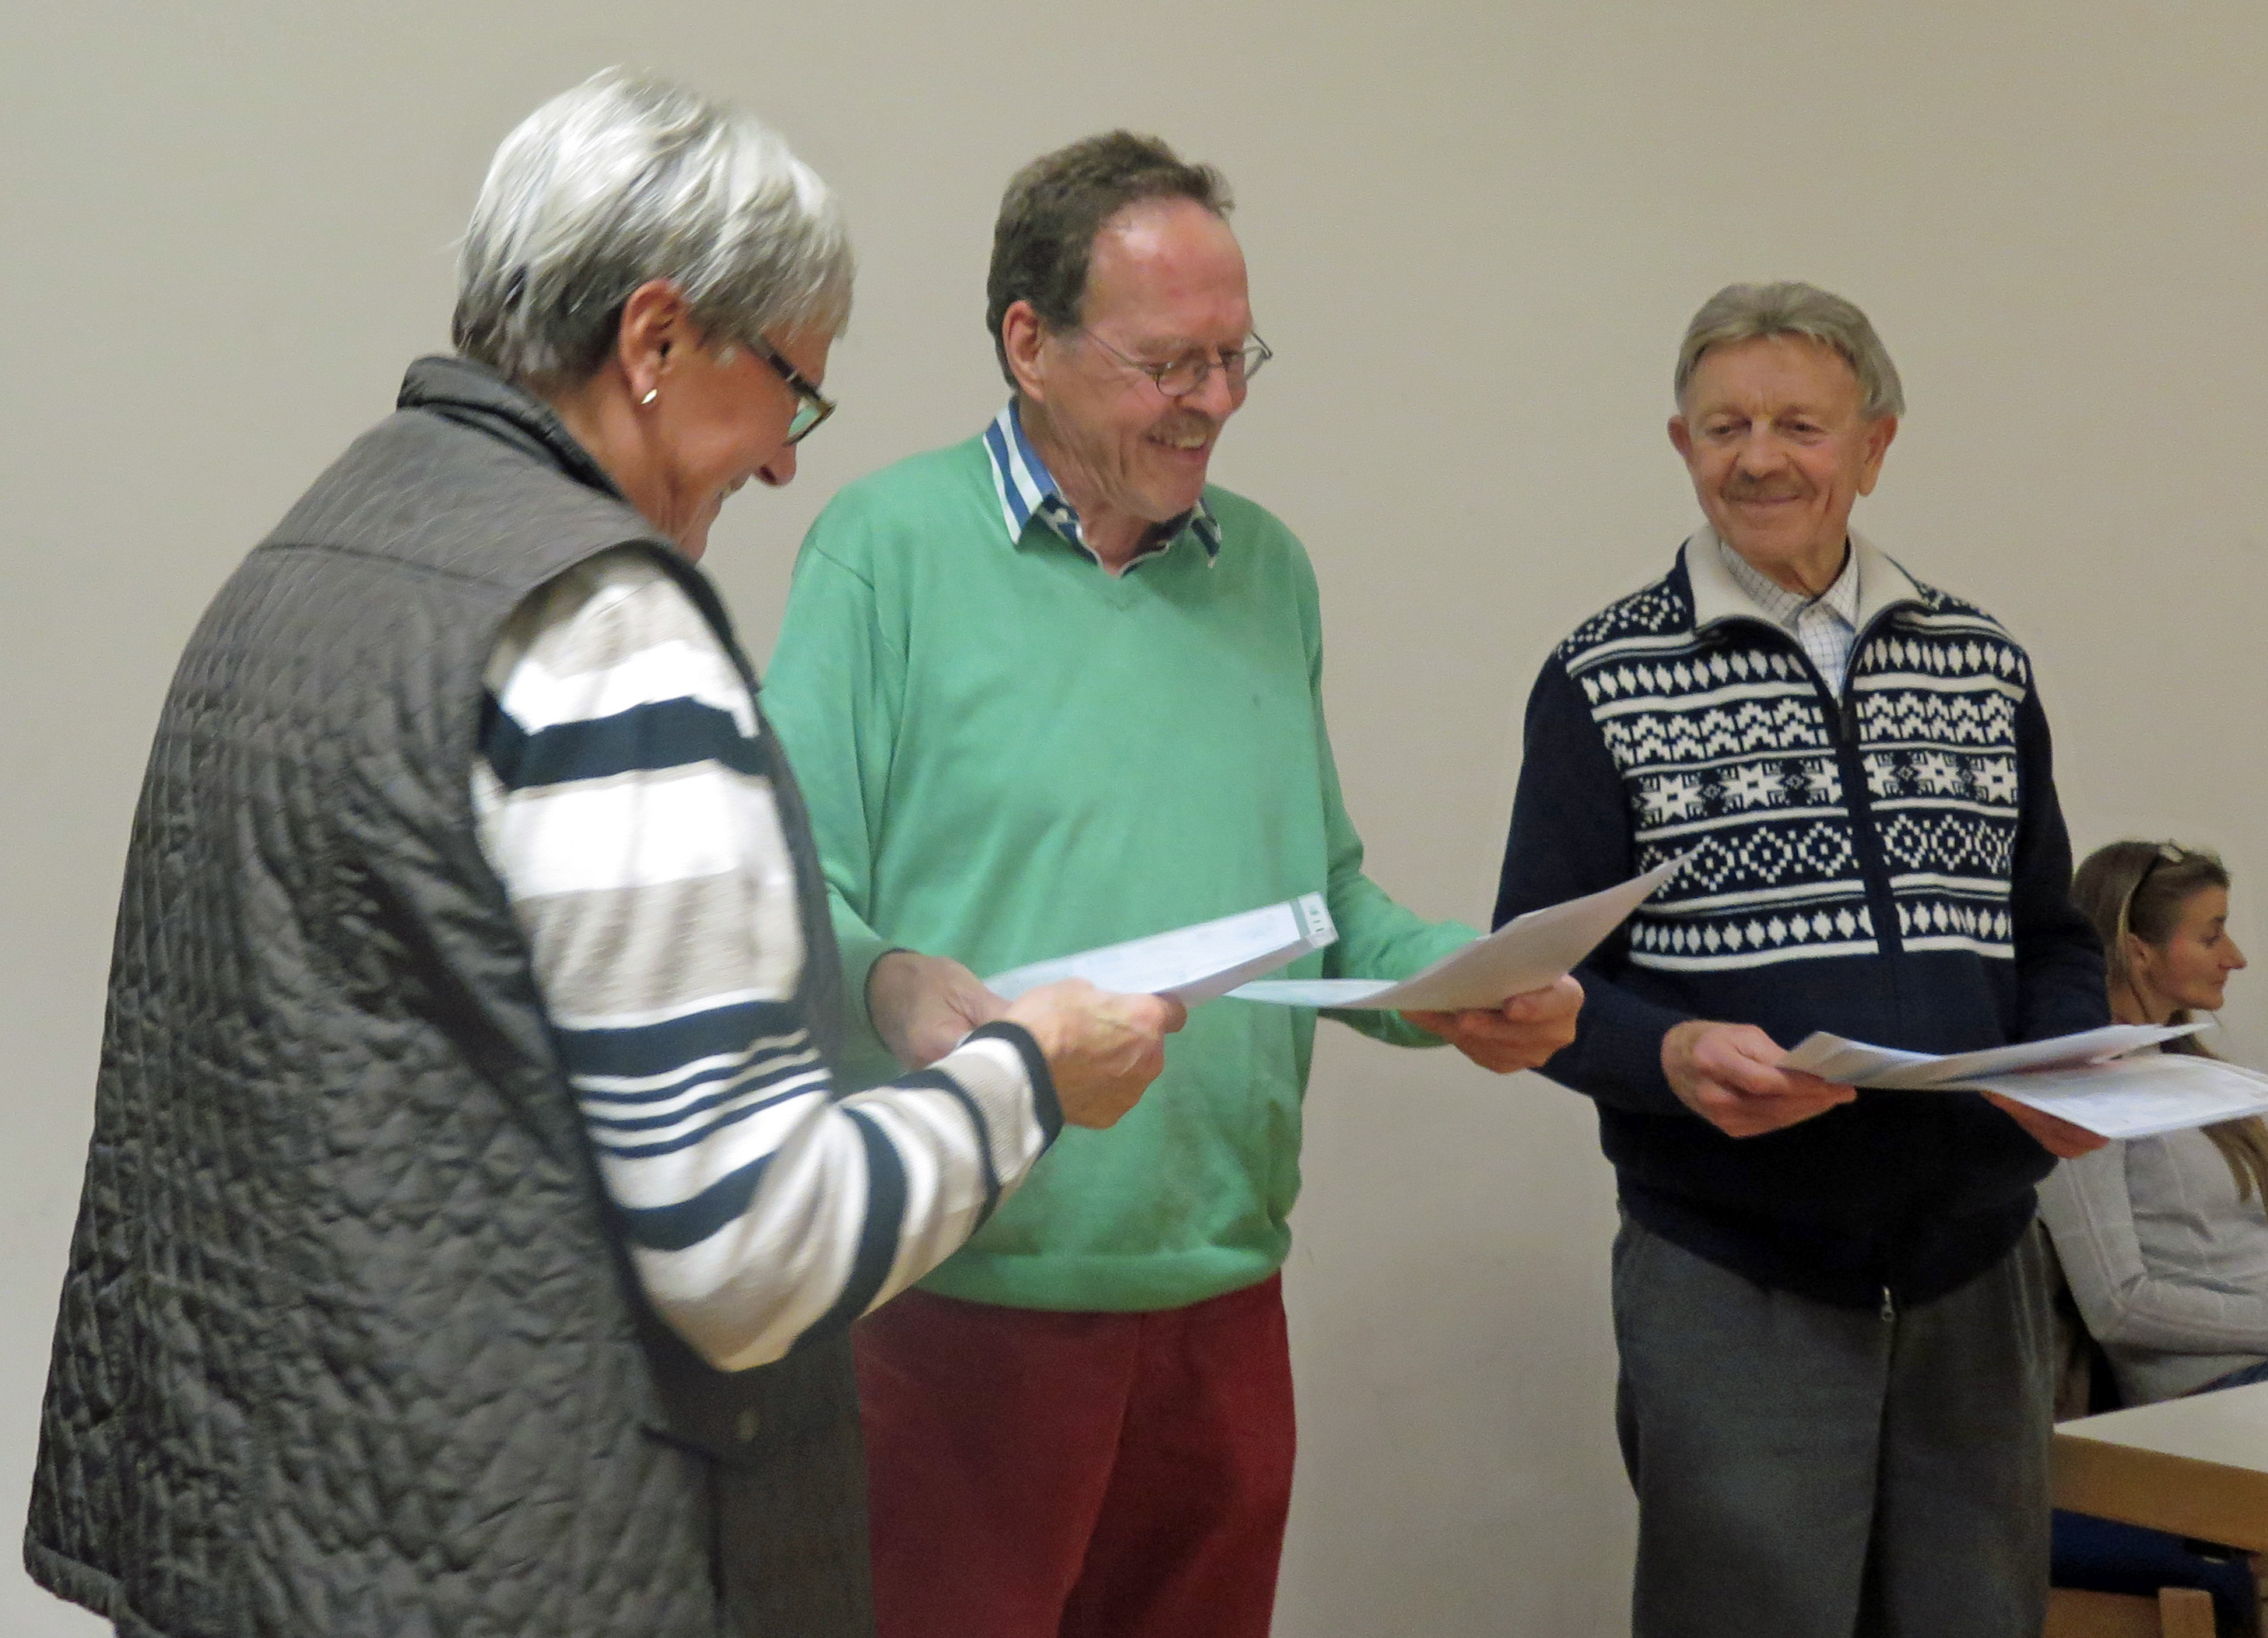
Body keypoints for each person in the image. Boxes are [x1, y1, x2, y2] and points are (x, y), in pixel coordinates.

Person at [25, 72, 1181, 1638]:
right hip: (521, 1556)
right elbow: (751, 1251)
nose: (784, 459)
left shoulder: (299, 565)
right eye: (791, 384)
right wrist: (1029, 1075)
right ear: (652, 341)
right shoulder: (605, 633)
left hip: (259, 1537)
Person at [759, 131, 1582, 1638]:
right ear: (1028, 342)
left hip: (1219, 1298)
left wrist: (1459, 983)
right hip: (956, 1305)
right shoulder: (885, 549)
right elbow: (780, 889)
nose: (1216, 398)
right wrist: (887, 979)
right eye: (1168, 362)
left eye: (1233, 352)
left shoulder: (1265, 570)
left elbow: (1318, 891)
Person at [1491, 279, 2111, 1638]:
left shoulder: (1978, 663)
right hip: (1731, 1271)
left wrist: (2070, 1059)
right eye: (1723, 425)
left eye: (1796, 424)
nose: (1757, 456)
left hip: (1974, 1264)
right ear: (1678, 446)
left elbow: (2050, 937)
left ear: (1874, 445)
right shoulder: (1601, 676)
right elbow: (1529, 991)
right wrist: (1660, 1053)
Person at [2039, 841, 2266, 1401]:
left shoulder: (2187, 1070)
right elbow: (2117, 1303)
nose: (2235, 957)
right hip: (2214, 1384)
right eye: (2211, 936)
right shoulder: (2082, 1085)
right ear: (2137, 950)